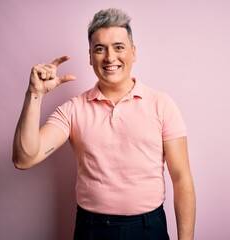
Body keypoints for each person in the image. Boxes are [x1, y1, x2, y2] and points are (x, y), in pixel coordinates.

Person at [12, 8, 196, 240]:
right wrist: (34, 94)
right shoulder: (73, 109)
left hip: (149, 228)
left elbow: (182, 179)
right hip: (92, 229)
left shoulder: (161, 104)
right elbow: (24, 158)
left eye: (119, 47)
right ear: (90, 56)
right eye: (100, 49)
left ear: (133, 52)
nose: (110, 57)